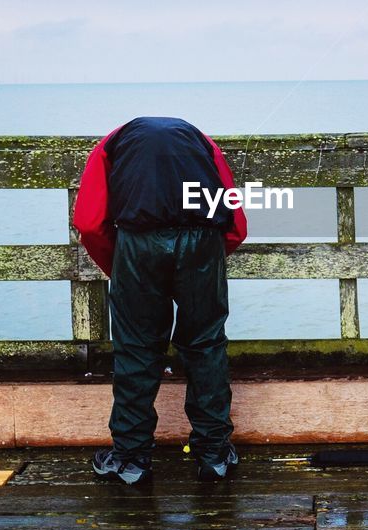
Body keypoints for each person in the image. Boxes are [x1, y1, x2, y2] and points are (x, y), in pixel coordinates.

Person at [73, 116, 247, 484]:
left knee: (136, 348)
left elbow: (89, 222)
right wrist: (208, 262)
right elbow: (236, 224)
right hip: (202, 242)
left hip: (138, 245)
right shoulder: (203, 143)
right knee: (205, 344)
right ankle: (214, 453)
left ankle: (131, 460)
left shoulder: (110, 146)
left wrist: (116, 266)